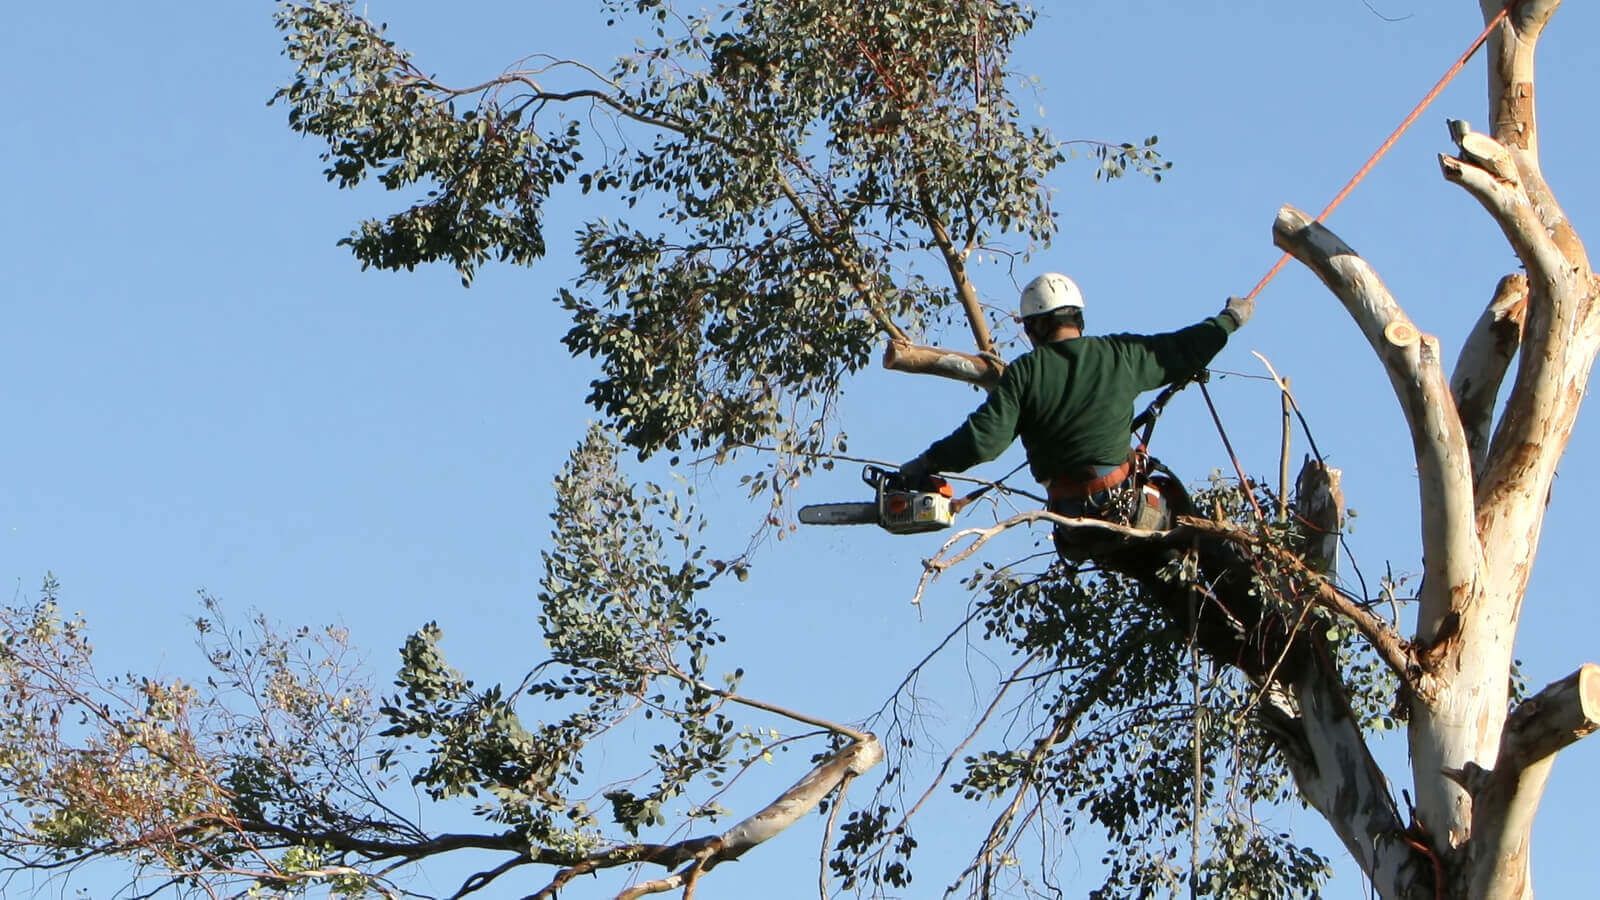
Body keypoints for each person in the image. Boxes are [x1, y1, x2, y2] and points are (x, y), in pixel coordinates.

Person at [899, 273, 1252, 542]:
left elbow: (982, 442)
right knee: (1197, 534)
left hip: (1073, 529)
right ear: (1076, 318)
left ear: (1036, 326)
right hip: (1131, 511)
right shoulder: (1118, 355)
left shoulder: (1025, 373)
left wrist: (928, 462)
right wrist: (1229, 320)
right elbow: (1182, 348)